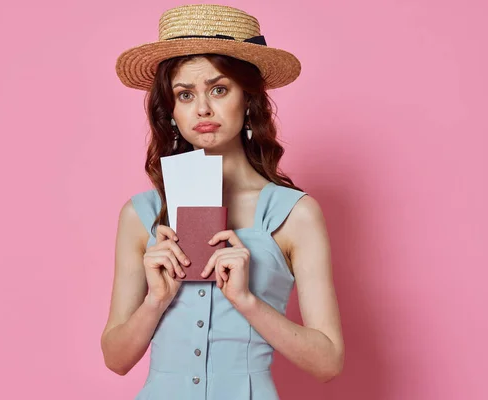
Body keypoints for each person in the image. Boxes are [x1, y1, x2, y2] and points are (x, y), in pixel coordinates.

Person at [100, 4, 344, 399]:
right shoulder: (140, 214)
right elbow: (116, 358)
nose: (202, 109)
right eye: (184, 94)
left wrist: (247, 302)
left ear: (247, 99)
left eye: (219, 88)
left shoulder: (295, 214)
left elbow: (328, 362)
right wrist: (156, 300)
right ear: (171, 112)